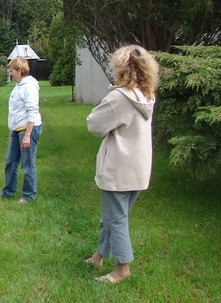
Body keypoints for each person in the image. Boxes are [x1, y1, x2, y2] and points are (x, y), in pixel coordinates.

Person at [85, 45, 159, 284]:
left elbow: (94, 124)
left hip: (118, 169)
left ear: (121, 68)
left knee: (116, 219)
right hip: (138, 169)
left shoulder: (119, 97)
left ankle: (122, 269)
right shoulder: (146, 95)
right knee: (113, 216)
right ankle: (98, 256)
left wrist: (112, 91)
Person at [0, 57, 42, 204]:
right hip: (17, 131)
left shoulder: (29, 87)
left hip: (28, 130)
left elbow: (32, 111)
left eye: (12, 71)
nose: (10, 73)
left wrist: (28, 135)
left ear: (20, 71)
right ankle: (8, 192)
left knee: (27, 165)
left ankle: (29, 196)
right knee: (10, 161)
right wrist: (13, 132)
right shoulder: (18, 86)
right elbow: (16, 112)